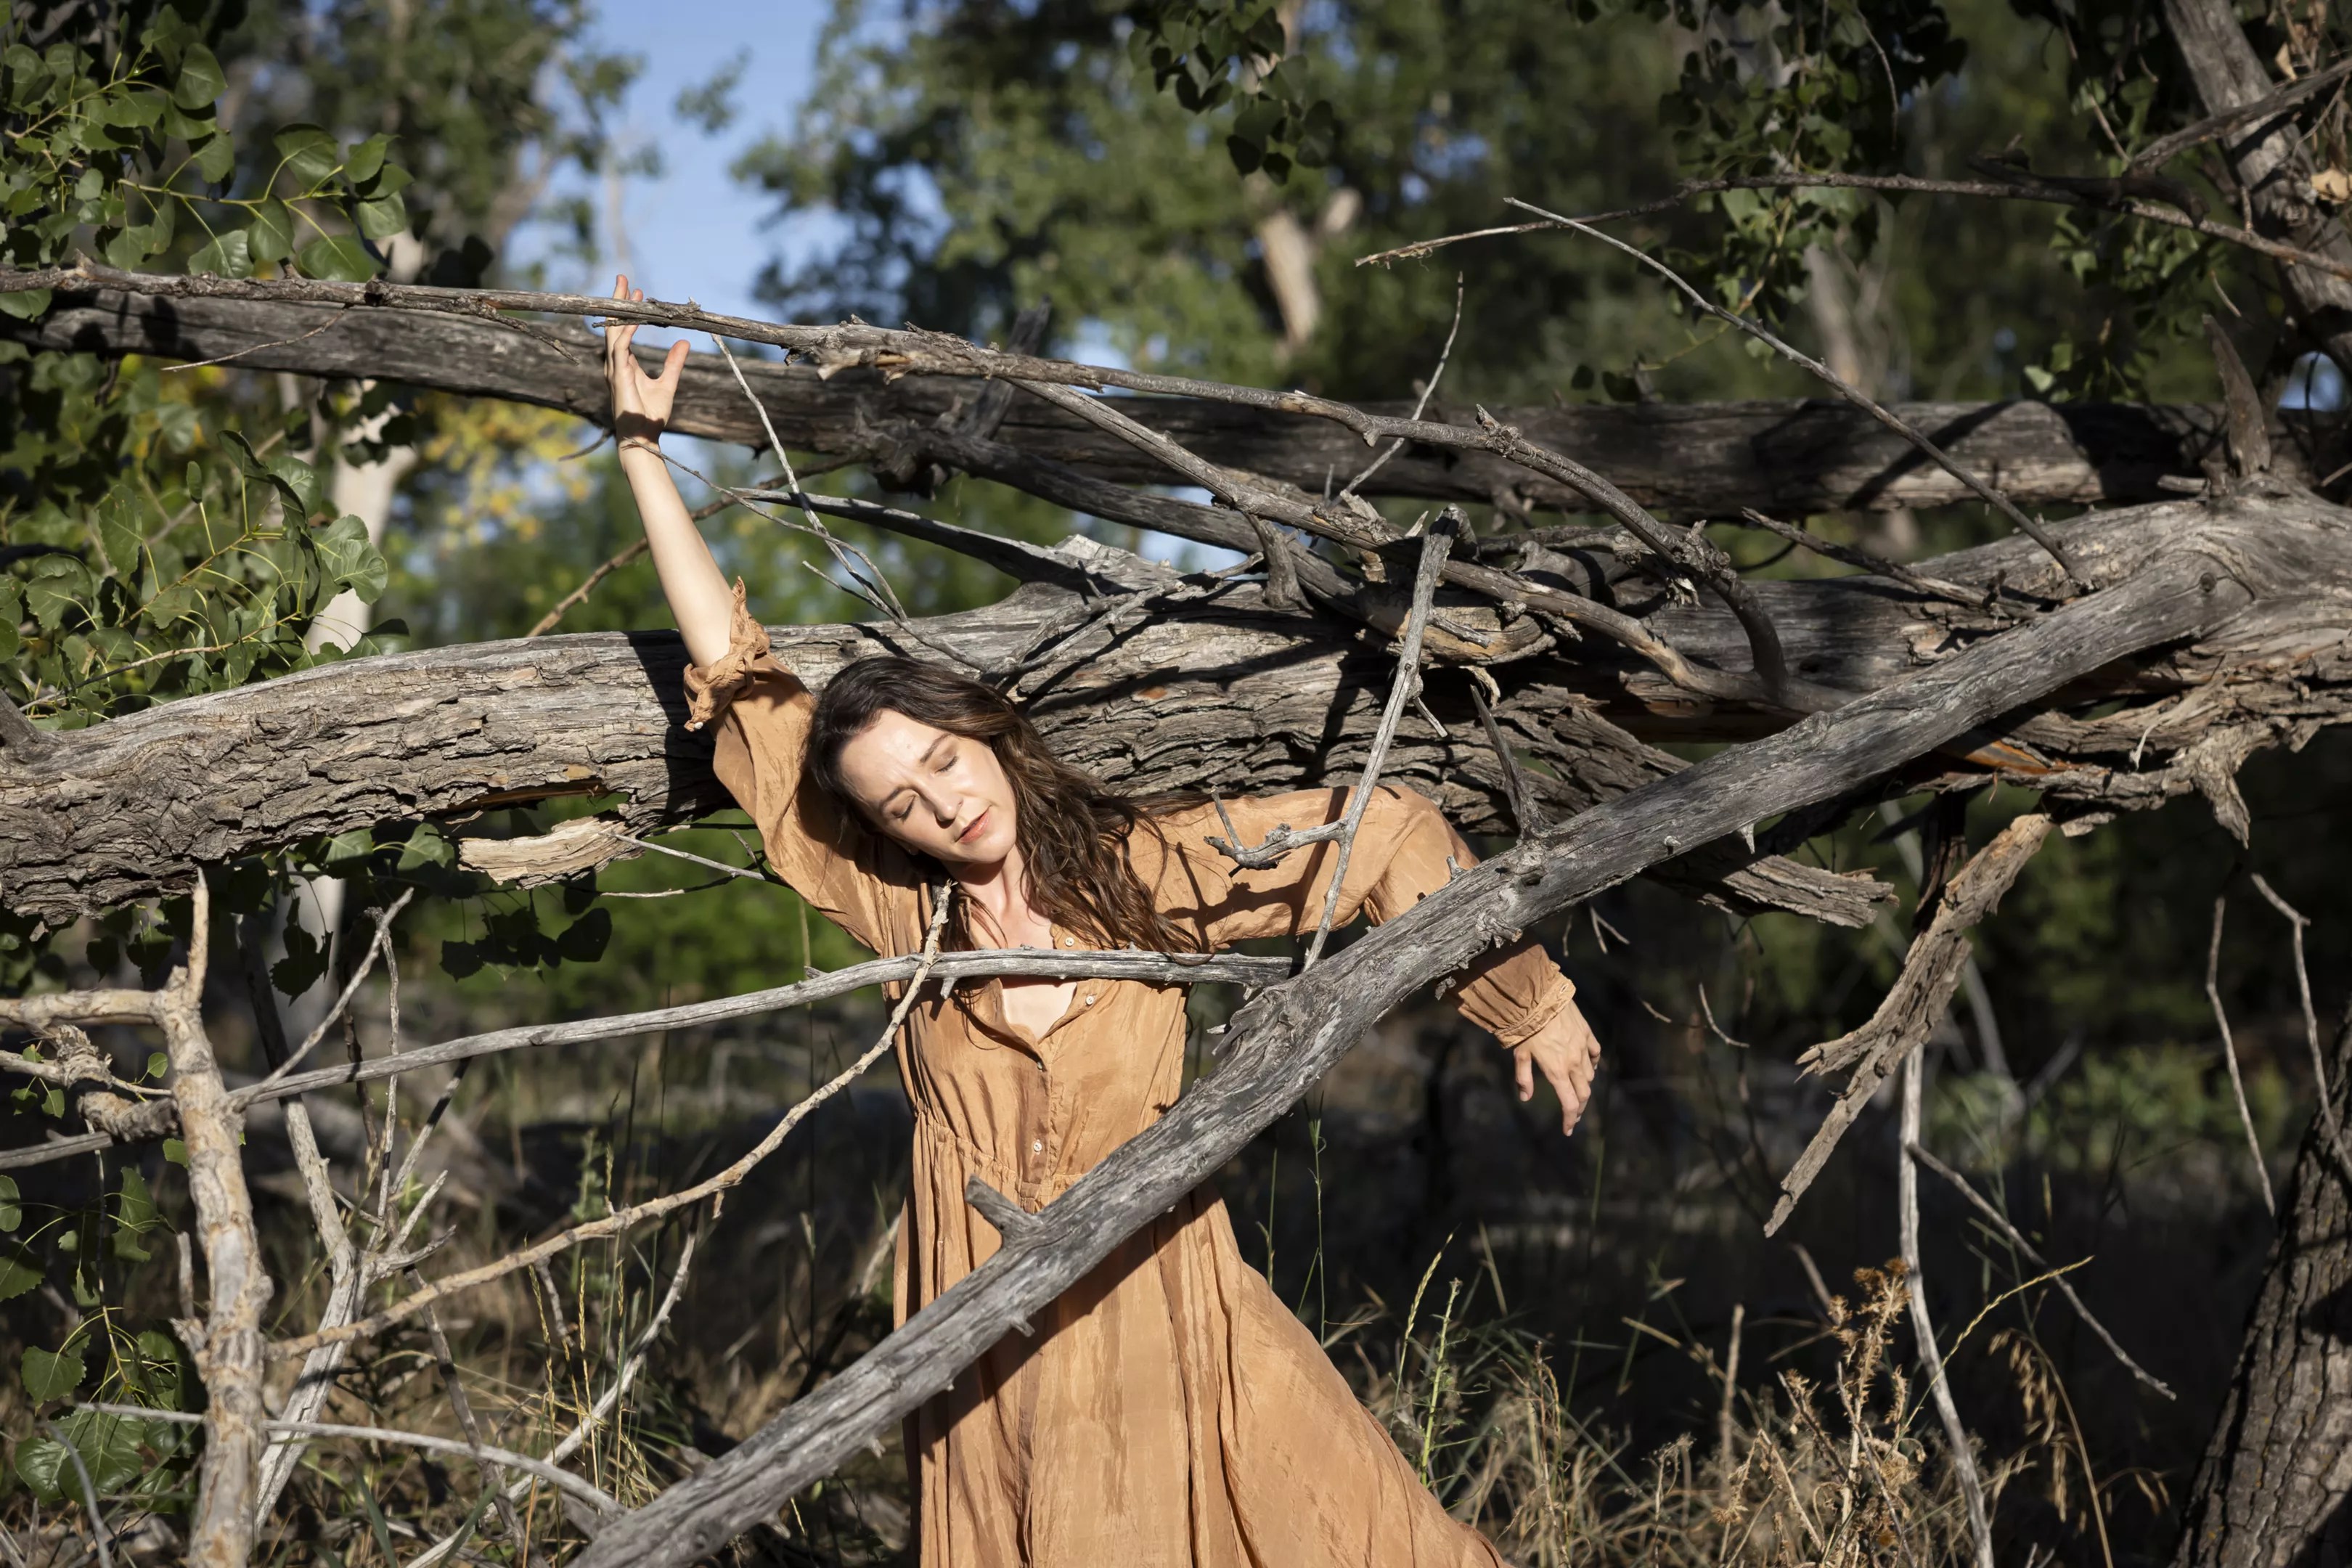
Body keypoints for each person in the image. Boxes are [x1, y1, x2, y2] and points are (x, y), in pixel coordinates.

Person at [603, 277, 1604, 1567]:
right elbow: (742, 682)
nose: (942, 807)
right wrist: (641, 452)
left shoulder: (1147, 872)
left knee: (1360, 1532)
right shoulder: (904, 918)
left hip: (1162, 1298)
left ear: (984, 731)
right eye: (902, 803)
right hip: (981, 1323)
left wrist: (1528, 1001)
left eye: (944, 763)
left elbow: (1388, 834)